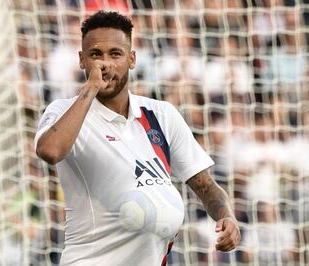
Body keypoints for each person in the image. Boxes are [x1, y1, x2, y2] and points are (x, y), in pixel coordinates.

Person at [35, 10, 240, 265]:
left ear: (132, 59)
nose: (104, 64)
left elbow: (206, 185)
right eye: (95, 55)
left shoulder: (161, 115)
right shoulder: (63, 111)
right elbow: (50, 151)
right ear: (82, 60)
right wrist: (90, 88)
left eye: (115, 54)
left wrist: (226, 215)